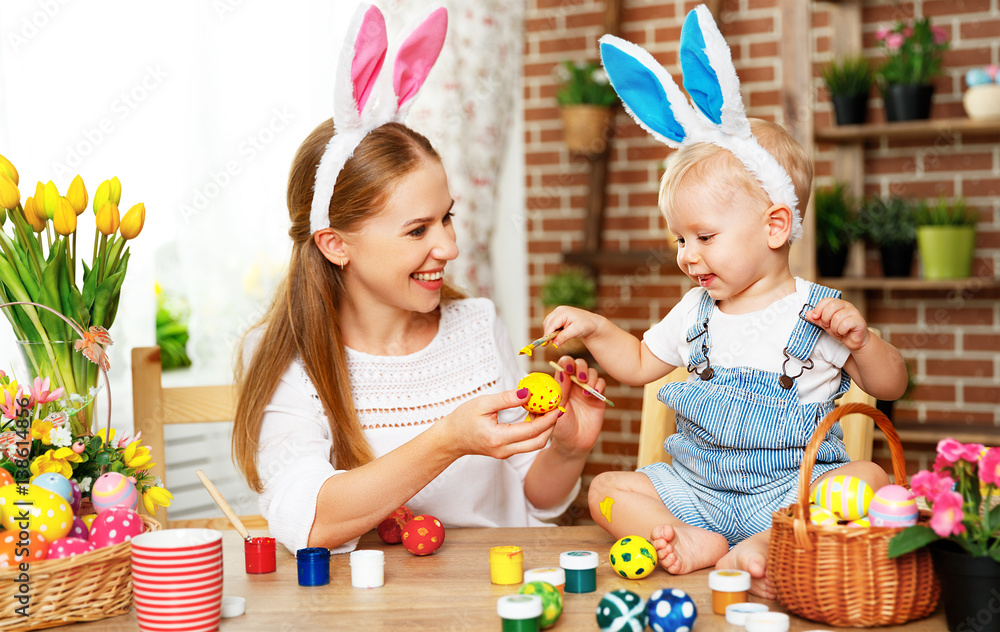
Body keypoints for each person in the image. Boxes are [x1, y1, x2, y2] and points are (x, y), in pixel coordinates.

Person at [542, 8, 903, 598]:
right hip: (696, 491)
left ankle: (769, 539)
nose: (687, 255)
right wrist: (596, 327)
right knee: (605, 489)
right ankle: (687, 539)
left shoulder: (820, 311)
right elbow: (636, 365)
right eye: (680, 238)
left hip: (791, 491)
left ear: (775, 226)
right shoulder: (695, 311)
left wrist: (864, 342)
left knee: (868, 477)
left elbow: (890, 387)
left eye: (704, 237)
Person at [232, 3, 606, 556]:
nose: (449, 247)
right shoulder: (292, 354)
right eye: (417, 230)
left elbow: (530, 504)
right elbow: (307, 522)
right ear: (336, 244)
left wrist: (569, 450)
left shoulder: (476, 325)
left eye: (447, 218)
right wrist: (448, 440)